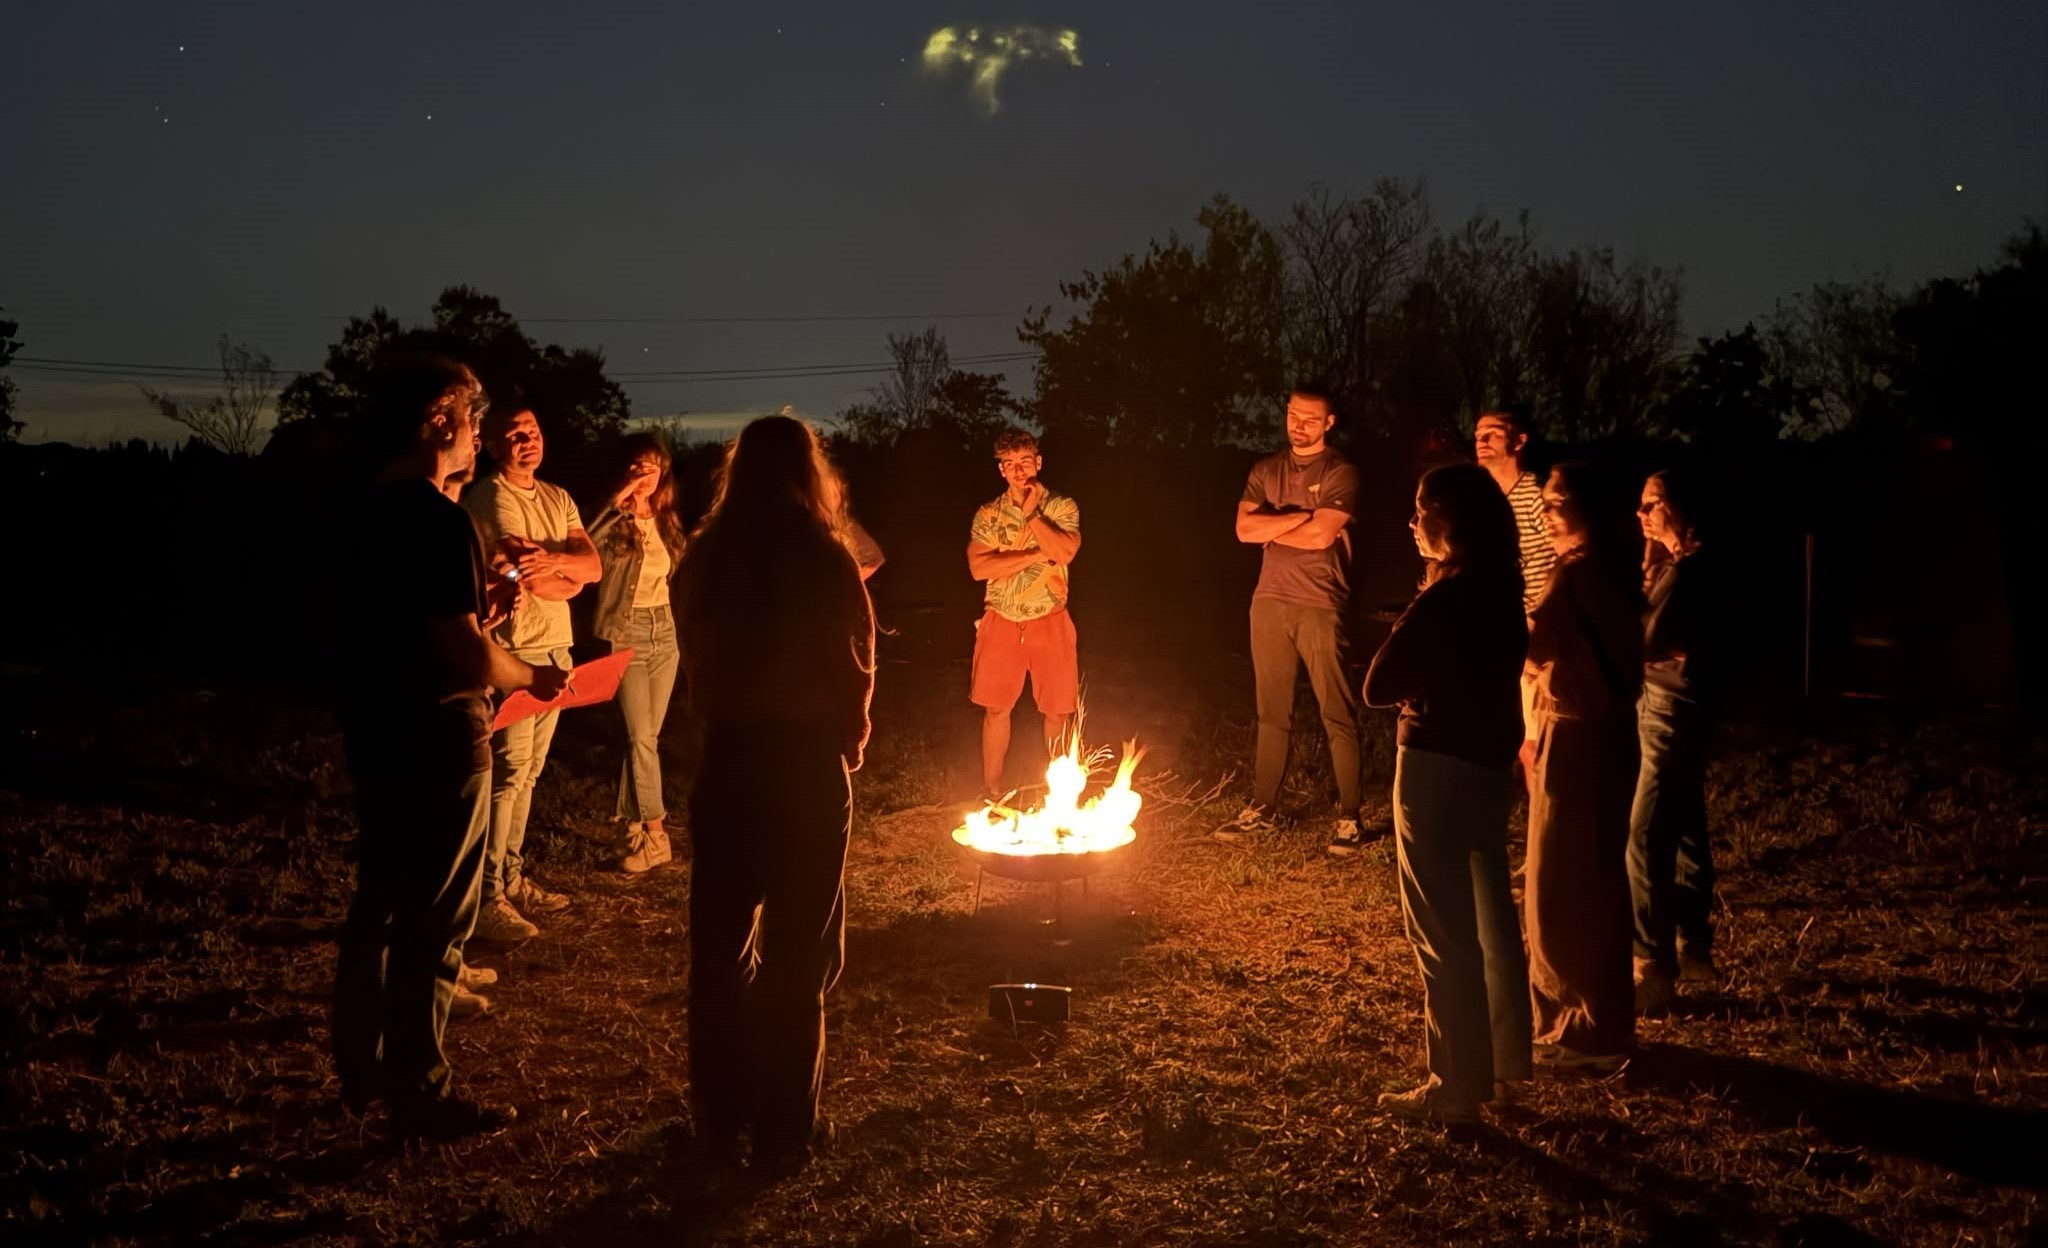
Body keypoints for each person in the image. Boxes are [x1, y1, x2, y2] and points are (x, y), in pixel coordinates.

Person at [333, 356, 568, 1139]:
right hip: (440, 735)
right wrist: (531, 674)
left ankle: (361, 1064)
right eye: (471, 422)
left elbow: (413, 622)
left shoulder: (361, 512)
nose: (477, 439)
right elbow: (465, 654)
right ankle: (420, 1091)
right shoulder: (438, 520)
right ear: (439, 420)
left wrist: (477, 614)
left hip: (375, 727)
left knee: (380, 899)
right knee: (435, 918)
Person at [676, 414, 875, 1174]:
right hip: (802, 764)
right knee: (799, 951)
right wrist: (851, 737)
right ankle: (786, 1129)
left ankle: (721, 1118)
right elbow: (855, 659)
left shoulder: (705, 558)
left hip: (730, 759)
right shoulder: (825, 557)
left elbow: (694, 655)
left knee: (719, 949)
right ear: (806, 472)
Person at [1365, 463, 1532, 1124]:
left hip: (1436, 769)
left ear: (1452, 519)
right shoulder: (1503, 591)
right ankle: (1502, 1062)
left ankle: (1455, 1085)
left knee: (1442, 928)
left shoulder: (1447, 597)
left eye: (1421, 509)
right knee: (1491, 920)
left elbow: (1378, 684)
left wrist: (1411, 631)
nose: (1411, 522)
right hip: (1489, 768)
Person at [461, 407, 602, 941]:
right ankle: (488, 894)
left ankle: (512, 877)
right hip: (517, 650)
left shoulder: (557, 497)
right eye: (516, 434)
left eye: (534, 431)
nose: (528, 441)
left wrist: (559, 565)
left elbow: (592, 568)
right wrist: (563, 568)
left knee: (531, 771)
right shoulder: (491, 497)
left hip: (556, 647)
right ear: (496, 445)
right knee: (509, 772)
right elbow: (528, 573)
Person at [1522, 464, 1645, 1071]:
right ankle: (1592, 1020)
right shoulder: (1611, 570)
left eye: (1558, 502)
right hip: (1600, 731)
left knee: (1567, 883)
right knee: (1589, 877)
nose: (1546, 513)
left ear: (1589, 508)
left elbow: (1535, 647)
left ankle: (1586, 1028)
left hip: (1578, 735)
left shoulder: (1580, 574)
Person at [1220, 384, 1368, 854]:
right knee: (1271, 712)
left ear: (1329, 423)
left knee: (1336, 711)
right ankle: (1264, 806)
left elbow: (1322, 537)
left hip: (1321, 601)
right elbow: (1244, 529)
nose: (1298, 426)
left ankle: (1350, 818)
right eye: (1292, 416)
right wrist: (1301, 516)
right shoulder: (1266, 469)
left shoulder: (1341, 470)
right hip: (1269, 601)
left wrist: (1276, 525)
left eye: (1310, 419)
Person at [1629, 469, 1722, 1012]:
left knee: (1642, 831)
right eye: (1641, 504)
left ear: (1683, 508)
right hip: (1673, 699)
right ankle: (1694, 948)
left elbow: (1643, 639)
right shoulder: (1670, 565)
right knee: (1686, 821)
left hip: (1668, 703)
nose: (1642, 514)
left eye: (1654, 503)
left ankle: (1652, 963)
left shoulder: (1690, 572)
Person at [966, 428, 1082, 799]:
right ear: (1001, 469)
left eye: (1025, 462)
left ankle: (1060, 795)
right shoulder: (988, 513)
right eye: (1010, 464)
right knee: (996, 709)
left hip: (1050, 616)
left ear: (1039, 462)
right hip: (1001, 617)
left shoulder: (1061, 507)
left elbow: (1064, 552)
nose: (1018, 471)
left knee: (1057, 711)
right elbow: (979, 568)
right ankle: (992, 789)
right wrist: (1036, 554)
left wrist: (1032, 515)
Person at [588, 434, 685, 874]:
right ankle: (658, 837)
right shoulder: (614, 519)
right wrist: (622, 495)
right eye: (638, 466)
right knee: (640, 737)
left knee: (645, 738)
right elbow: (585, 542)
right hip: (627, 631)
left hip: (666, 631)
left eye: (653, 467)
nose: (646, 475)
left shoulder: (667, 520)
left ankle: (632, 827)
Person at [1473, 409, 1553, 613]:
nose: (1482, 441)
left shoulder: (1538, 494)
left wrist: (1537, 613)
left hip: (1537, 617)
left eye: (1493, 433)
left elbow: (1565, 557)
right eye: (1478, 435)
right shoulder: (1480, 499)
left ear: (1519, 441)